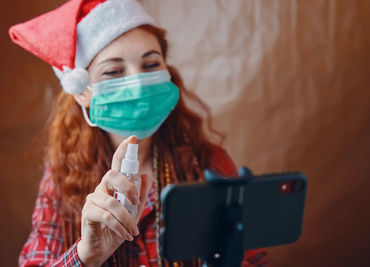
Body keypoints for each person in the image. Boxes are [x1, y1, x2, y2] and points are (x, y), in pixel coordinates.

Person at [9, 0, 270, 266]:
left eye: (150, 65)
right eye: (113, 71)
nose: (139, 84)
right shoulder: (62, 178)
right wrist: (87, 255)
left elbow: (254, 257)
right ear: (81, 93)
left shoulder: (208, 163)